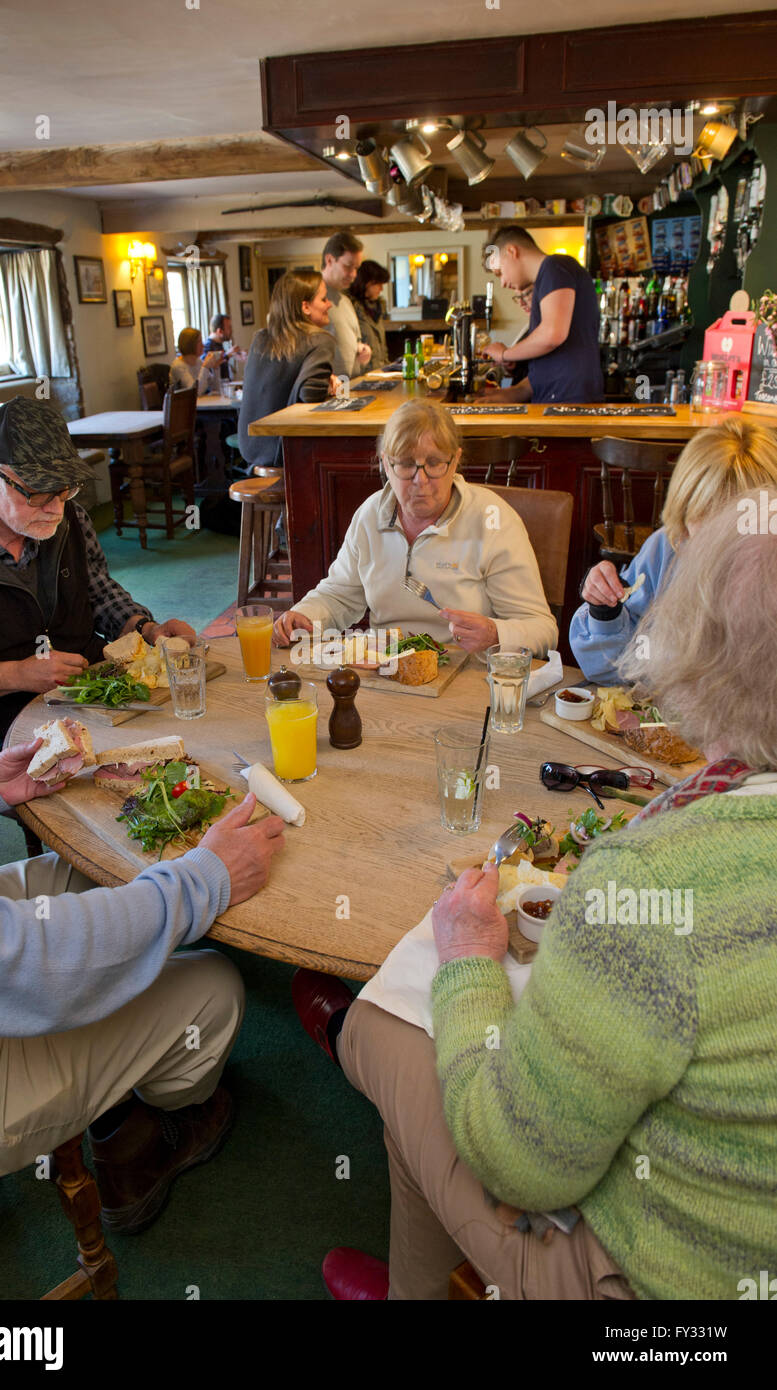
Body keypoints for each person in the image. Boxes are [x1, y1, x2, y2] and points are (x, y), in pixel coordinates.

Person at [294, 490, 777, 1299]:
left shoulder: (655, 879)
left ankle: (348, 1037)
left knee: (391, 1023)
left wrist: (469, 962)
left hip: (657, 1283)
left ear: (691, 645)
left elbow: (521, 1167)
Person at [0, 742, 285, 1227]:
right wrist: (201, 883)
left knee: (94, 872)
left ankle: (118, 1066)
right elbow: (21, 963)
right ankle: (138, 1141)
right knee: (214, 987)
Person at [0, 397, 197, 763]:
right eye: (38, 492)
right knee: (86, 789)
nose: (56, 509)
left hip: (90, 687)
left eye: (65, 490)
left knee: (187, 730)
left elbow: (97, 591)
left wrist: (144, 627)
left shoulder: (69, 517)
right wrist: (15, 674)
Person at [272, 399, 556, 657]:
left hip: (468, 674)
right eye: (406, 465)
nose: (421, 480)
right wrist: (305, 615)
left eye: (433, 463)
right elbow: (339, 596)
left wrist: (496, 634)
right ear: (386, 463)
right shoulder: (371, 514)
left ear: (455, 460)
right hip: (385, 668)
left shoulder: (493, 520)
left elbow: (543, 630)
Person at [570, 416, 777, 684]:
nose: (719, 545)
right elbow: (613, 669)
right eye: (705, 521)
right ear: (683, 512)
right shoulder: (665, 549)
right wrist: (605, 612)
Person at [481, 226, 603, 404]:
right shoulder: (547, 278)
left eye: (500, 273)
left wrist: (505, 354)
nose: (503, 283)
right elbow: (549, 368)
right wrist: (512, 393)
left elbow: (552, 335)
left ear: (511, 251)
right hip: (558, 400)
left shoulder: (555, 267)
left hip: (569, 403)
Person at [237, 270, 336, 470]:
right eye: (323, 299)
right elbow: (311, 395)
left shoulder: (260, 338)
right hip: (286, 453)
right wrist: (328, 387)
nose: (329, 304)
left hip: (251, 449)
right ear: (305, 306)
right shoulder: (320, 340)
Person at [321, 231, 372, 380]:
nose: (353, 274)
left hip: (349, 388)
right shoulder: (309, 296)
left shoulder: (346, 301)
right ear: (329, 260)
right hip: (326, 393)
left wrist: (362, 350)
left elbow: (354, 344)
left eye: (356, 268)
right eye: (348, 266)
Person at [349, 259, 390, 371]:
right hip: (362, 376)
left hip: (380, 373)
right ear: (366, 283)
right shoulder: (352, 309)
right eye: (378, 284)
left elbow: (382, 349)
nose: (381, 289)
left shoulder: (378, 309)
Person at [170, 326, 219, 394]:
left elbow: (215, 388)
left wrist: (216, 368)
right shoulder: (178, 366)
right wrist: (205, 367)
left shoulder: (198, 361)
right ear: (190, 344)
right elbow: (195, 392)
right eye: (199, 342)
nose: (203, 345)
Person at [202, 313, 246, 382]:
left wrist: (234, 354)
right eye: (229, 328)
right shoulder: (207, 347)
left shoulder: (219, 344)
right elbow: (208, 367)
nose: (231, 331)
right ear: (219, 331)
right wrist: (227, 354)